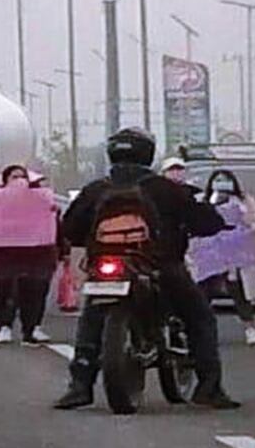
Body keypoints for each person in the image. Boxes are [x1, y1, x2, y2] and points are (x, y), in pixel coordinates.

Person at [54, 127, 241, 411]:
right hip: (161, 266)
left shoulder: (96, 189)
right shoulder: (168, 189)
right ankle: (209, 387)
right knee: (200, 317)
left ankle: (79, 385)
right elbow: (205, 222)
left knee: (91, 318)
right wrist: (210, 221)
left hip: (106, 267)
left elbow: (70, 229)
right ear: (148, 154)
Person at [0, 165, 63, 347]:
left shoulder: (40, 200)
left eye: (22, 177)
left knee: (31, 294)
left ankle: (29, 331)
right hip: (4, 257)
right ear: (6, 180)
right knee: (2, 294)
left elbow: (55, 228)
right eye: (14, 177)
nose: (19, 181)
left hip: (32, 256)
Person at [197, 170, 255, 347]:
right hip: (210, 249)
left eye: (225, 180)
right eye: (218, 180)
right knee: (205, 290)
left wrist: (251, 231)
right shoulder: (203, 200)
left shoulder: (244, 200)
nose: (221, 183)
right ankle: (201, 331)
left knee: (238, 290)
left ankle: (250, 328)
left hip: (237, 247)